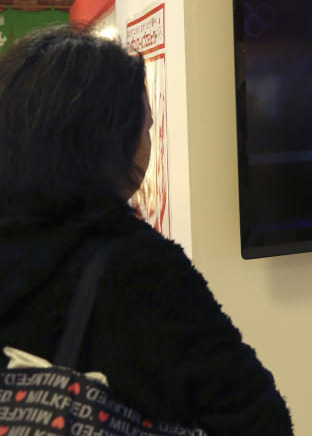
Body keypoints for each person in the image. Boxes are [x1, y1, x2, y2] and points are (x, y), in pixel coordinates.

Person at [0, 28, 293, 434]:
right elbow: (258, 419)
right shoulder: (139, 270)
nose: (149, 138)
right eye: (144, 126)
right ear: (104, 143)